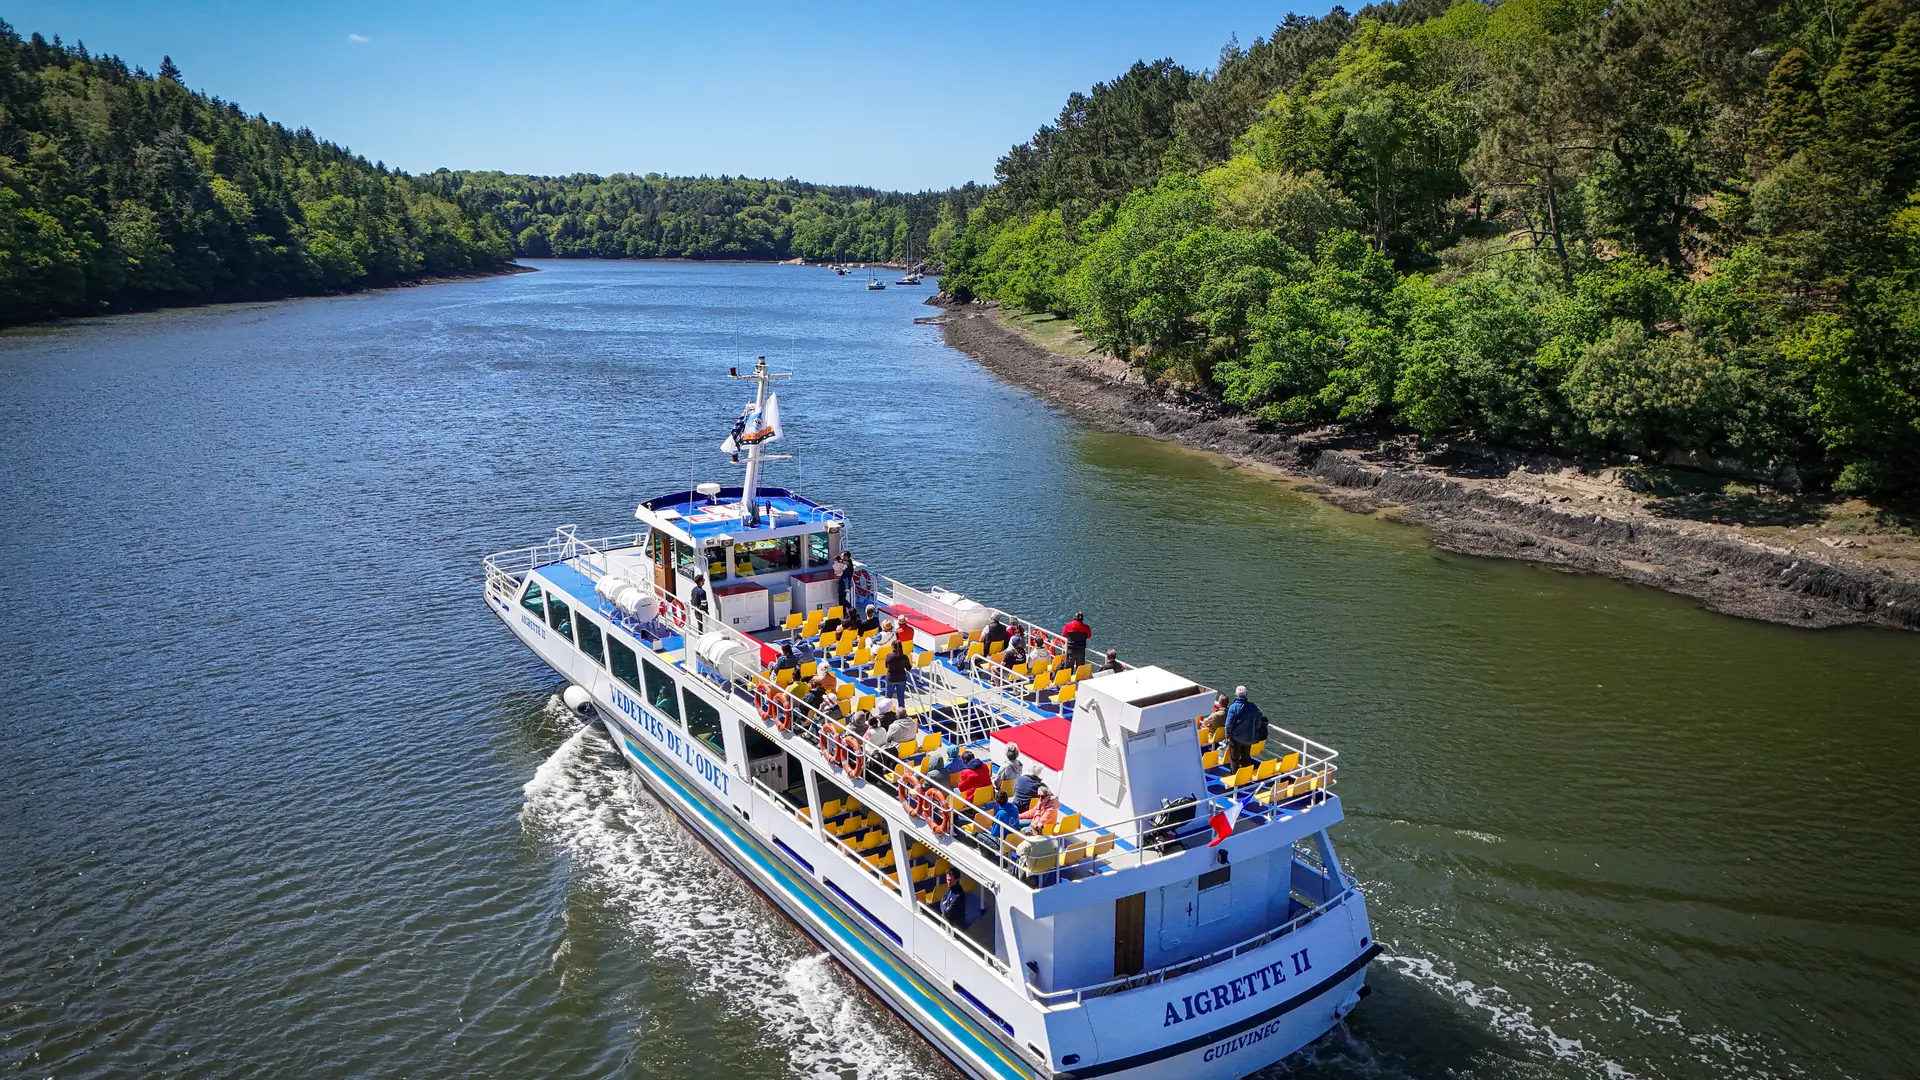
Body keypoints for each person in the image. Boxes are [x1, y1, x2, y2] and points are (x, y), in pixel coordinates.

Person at [1225, 684, 1268, 769]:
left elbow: (1228, 725)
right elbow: (1258, 723)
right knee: (1246, 758)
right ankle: (1245, 776)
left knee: (1235, 760)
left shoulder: (1233, 707)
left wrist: (1227, 736)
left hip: (1235, 739)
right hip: (1249, 738)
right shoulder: (1253, 707)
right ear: (1246, 694)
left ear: (1236, 694)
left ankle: (1236, 779)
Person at [884, 640, 911, 709]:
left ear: (892, 647)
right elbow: (908, 668)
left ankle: (886, 712)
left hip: (891, 678)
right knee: (901, 697)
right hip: (901, 679)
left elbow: (886, 665)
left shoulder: (889, 656)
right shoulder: (904, 657)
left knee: (888, 697)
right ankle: (902, 712)